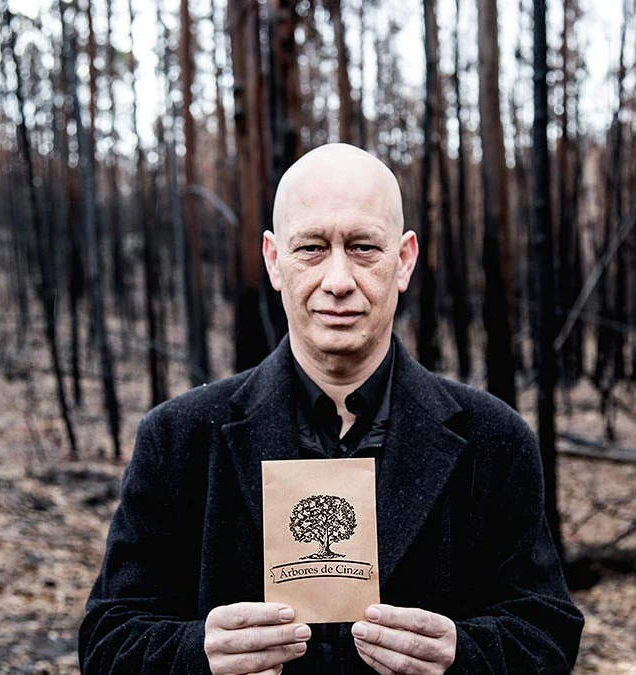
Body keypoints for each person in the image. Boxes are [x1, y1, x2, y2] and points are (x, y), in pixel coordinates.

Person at [79, 143, 583, 674]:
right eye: (312, 248)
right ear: (274, 261)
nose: (338, 281)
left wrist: (464, 656)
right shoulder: (178, 439)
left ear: (404, 260)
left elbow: (547, 632)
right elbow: (107, 640)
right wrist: (197, 654)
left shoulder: (495, 441)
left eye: (364, 247)